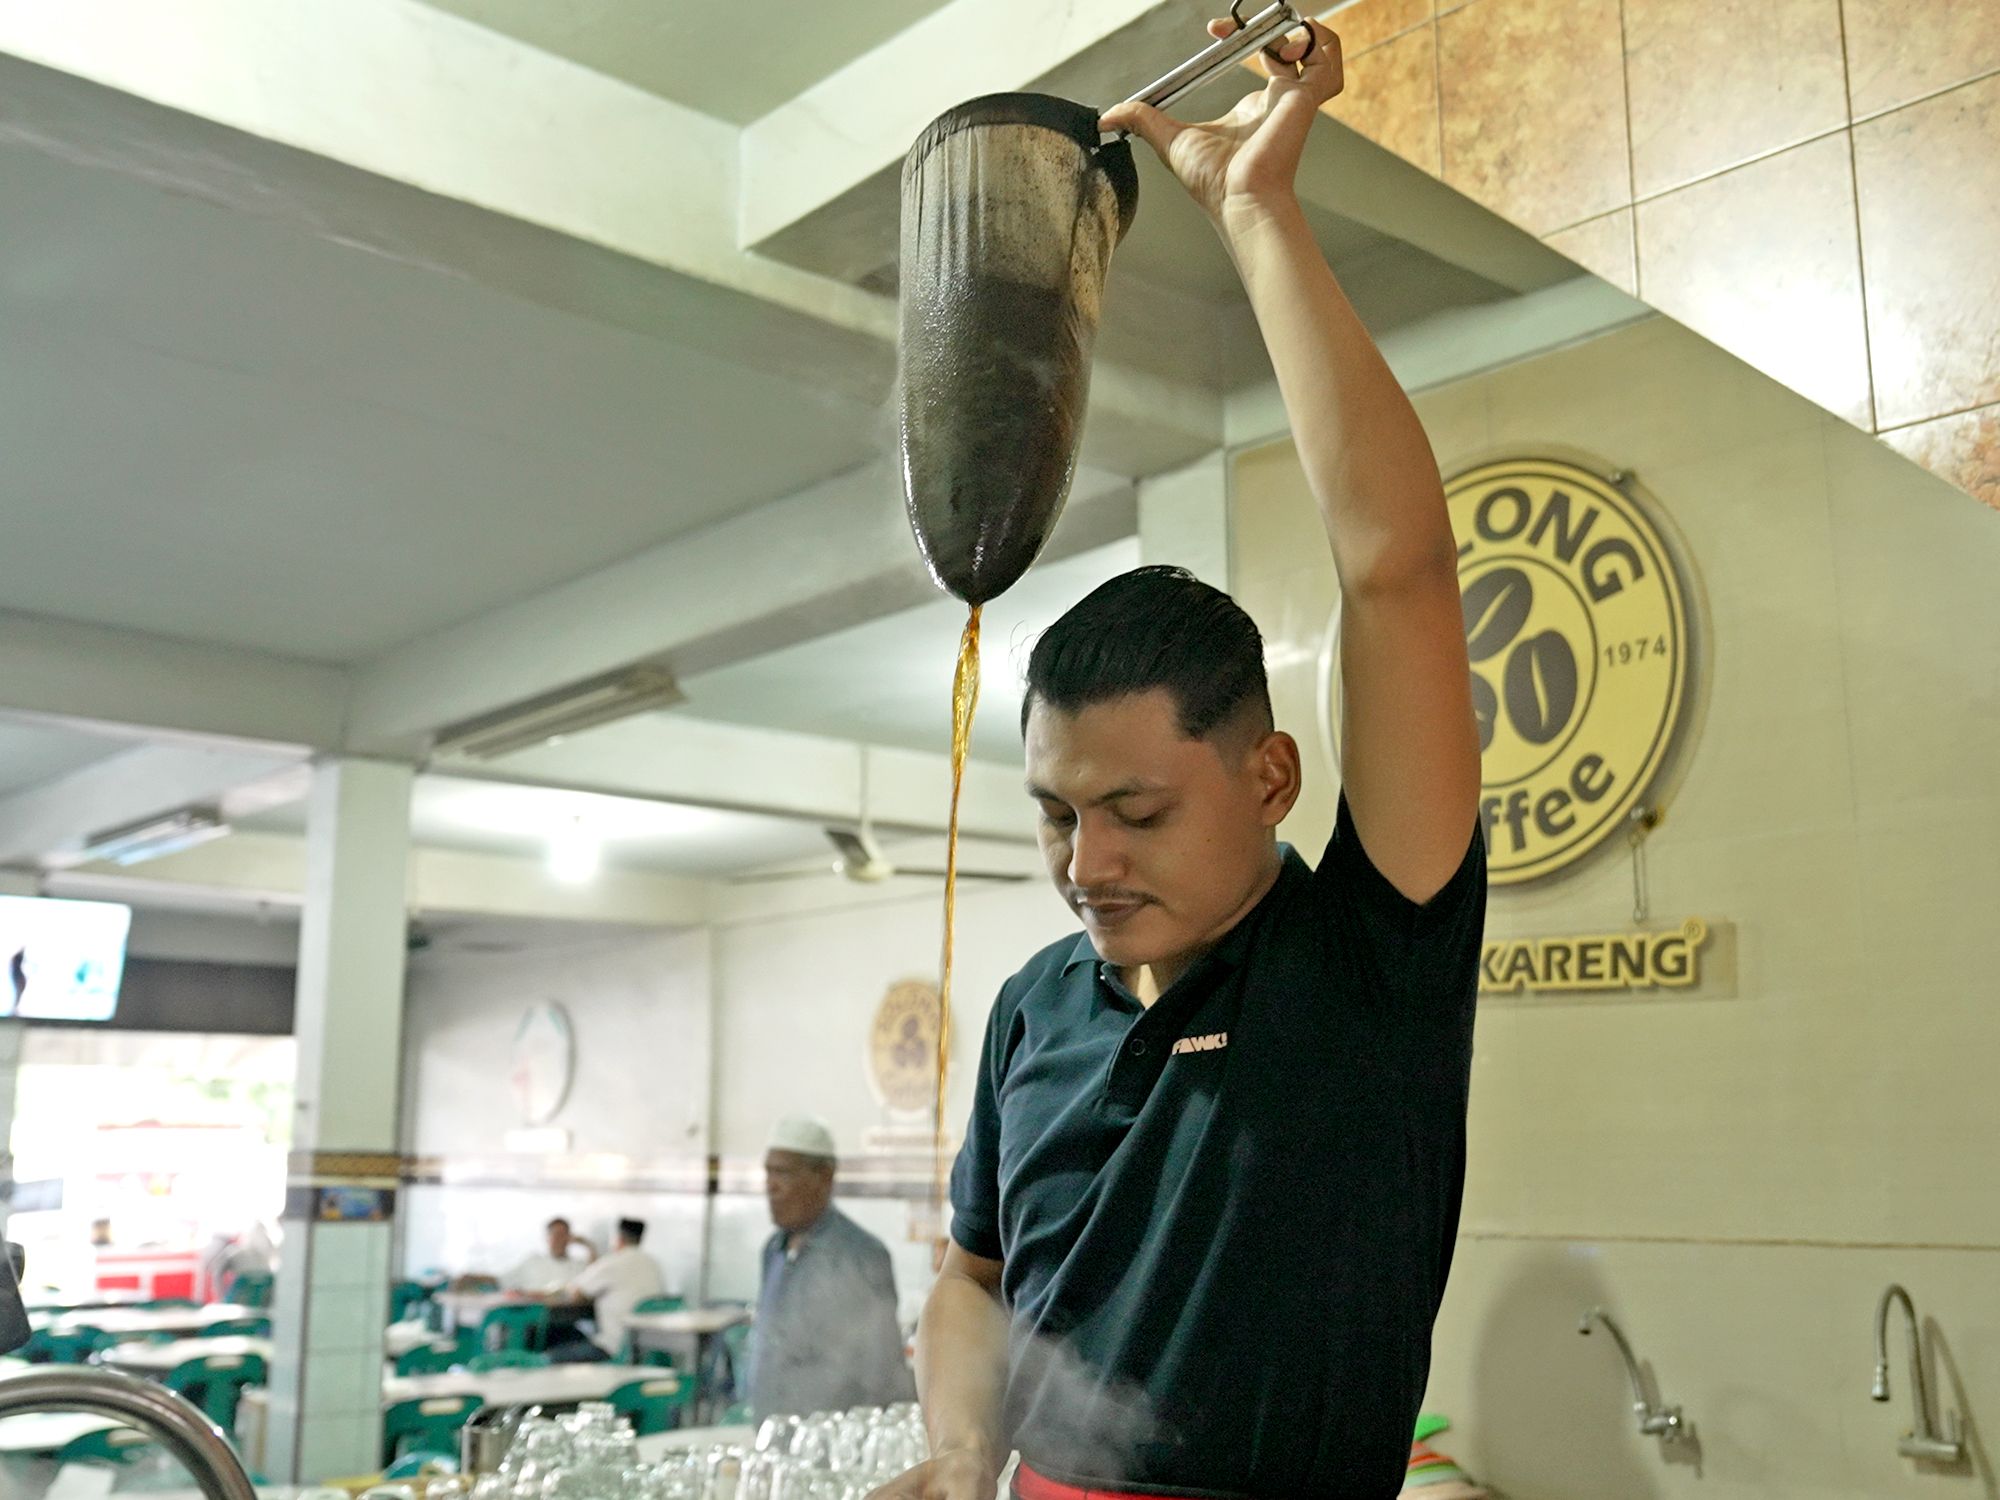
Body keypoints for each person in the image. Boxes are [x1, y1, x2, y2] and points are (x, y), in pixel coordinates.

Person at [869, 17, 1486, 1500]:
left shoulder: (1366, 955)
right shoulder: (1037, 1007)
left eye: (1135, 811)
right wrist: (958, 1456)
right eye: (1056, 816)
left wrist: (1253, 212)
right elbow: (970, 1274)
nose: (1087, 866)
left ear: (1269, 777)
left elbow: (1396, 568)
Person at [751, 1115, 916, 1418]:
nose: (771, 1186)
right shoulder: (773, 1251)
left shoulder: (860, 1256)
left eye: (784, 1173)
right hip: (771, 1437)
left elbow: (882, 1371)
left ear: (824, 1177)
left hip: (828, 1445)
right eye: (768, 1173)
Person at [541, 1217, 663, 1363]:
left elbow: (576, 1293)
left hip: (615, 1350)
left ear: (617, 1239)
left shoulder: (612, 1262)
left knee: (548, 1356)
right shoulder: (653, 1264)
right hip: (650, 1351)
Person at [503, 1216, 597, 1294]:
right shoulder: (533, 1261)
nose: (559, 1240)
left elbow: (596, 1279)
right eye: (555, 1235)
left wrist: (588, 1245)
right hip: (535, 1312)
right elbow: (502, 1280)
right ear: (547, 1238)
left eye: (563, 1235)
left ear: (570, 1238)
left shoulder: (578, 1265)